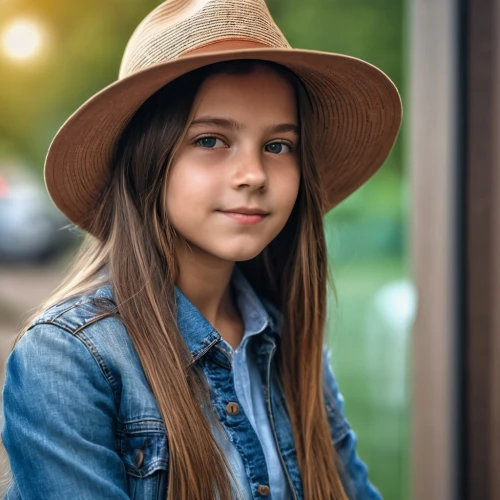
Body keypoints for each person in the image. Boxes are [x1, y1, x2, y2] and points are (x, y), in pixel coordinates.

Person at [1, 0, 402, 499]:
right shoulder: (69, 358)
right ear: (149, 157)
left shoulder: (290, 340)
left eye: (278, 146)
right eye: (212, 140)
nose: (253, 175)